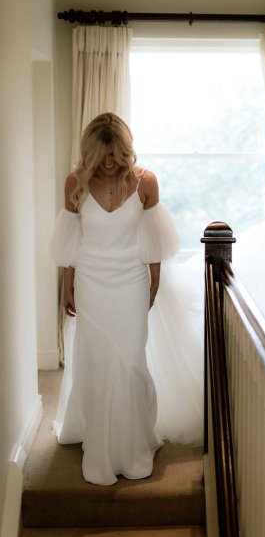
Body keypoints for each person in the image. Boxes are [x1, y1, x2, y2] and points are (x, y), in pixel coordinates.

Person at [49, 112, 180, 485]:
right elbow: (70, 241)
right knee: (96, 359)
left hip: (131, 281)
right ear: (91, 152)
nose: (110, 162)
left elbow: (154, 241)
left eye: (116, 153)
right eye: (103, 154)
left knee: (130, 361)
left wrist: (153, 282)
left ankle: (133, 443)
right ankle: (100, 443)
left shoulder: (145, 182)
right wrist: (67, 284)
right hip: (91, 281)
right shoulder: (75, 182)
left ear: (126, 149)